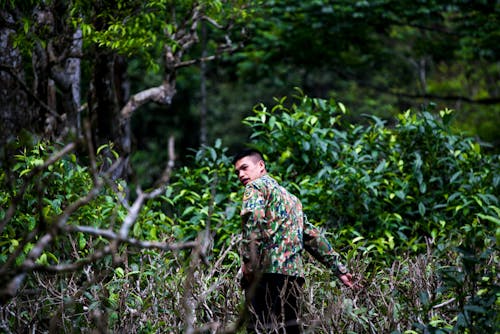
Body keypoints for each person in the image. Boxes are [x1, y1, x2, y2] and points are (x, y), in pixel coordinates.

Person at [233, 148, 355, 333]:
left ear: (261, 166)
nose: (241, 175)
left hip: (266, 276)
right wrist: (340, 270)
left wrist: (249, 265)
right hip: (293, 279)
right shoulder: (292, 200)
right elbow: (312, 236)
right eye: (237, 172)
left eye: (244, 168)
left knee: (262, 329)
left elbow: (253, 221)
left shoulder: (255, 187)